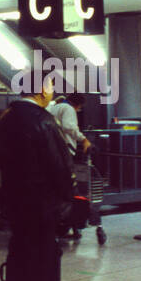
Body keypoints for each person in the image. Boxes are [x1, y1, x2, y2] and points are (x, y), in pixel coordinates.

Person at [0, 69, 74, 281]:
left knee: (19, 251)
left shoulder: (7, 117)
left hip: (14, 199)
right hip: (42, 202)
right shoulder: (44, 120)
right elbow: (58, 165)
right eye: (50, 84)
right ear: (40, 89)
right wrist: (66, 197)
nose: (51, 89)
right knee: (44, 254)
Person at [48, 92, 91, 239]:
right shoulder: (68, 109)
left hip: (51, 153)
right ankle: (69, 224)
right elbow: (68, 126)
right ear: (78, 105)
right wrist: (83, 139)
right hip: (65, 152)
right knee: (68, 190)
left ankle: (56, 225)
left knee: (54, 192)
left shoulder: (52, 107)